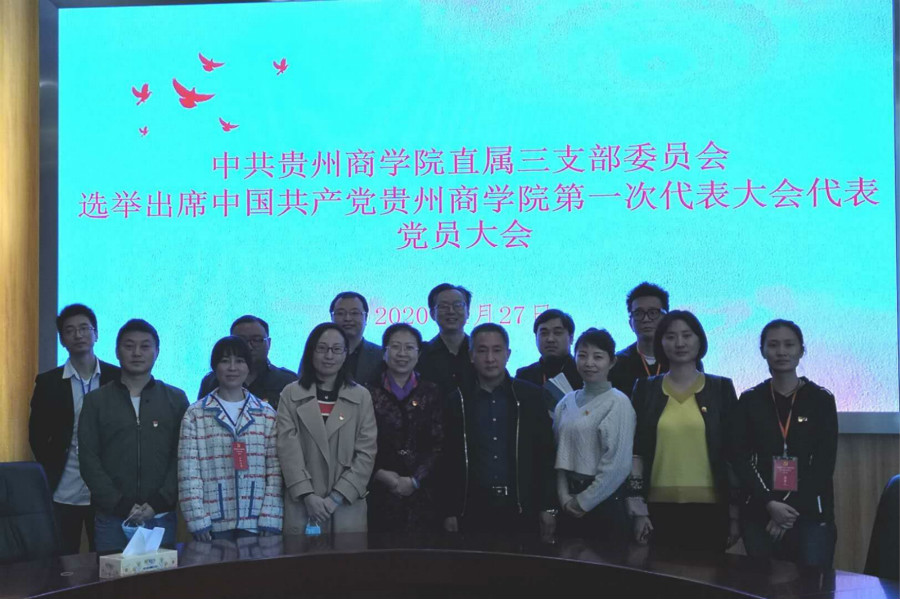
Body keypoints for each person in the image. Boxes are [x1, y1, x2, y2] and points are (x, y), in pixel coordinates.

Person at [628, 310, 739, 552]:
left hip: (711, 509)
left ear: (700, 340)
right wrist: (638, 509)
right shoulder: (646, 389)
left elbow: (732, 453)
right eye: (670, 337)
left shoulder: (720, 388)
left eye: (687, 335)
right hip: (656, 508)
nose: (679, 343)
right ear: (660, 342)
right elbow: (636, 452)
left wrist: (734, 513)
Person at [732, 320, 838, 568]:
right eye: (773, 345)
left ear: (801, 350)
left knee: (813, 584)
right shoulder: (750, 399)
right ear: (762, 351)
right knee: (761, 583)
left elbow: (824, 463)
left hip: (810, 513)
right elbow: (740, 457)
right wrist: (771, 504)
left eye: (789, 345)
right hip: (761, 511)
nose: (781, 352)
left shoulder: (821, 399)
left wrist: (786, 511)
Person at [78, 319, 188, 553]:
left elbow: (182, 457)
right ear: (117, 352)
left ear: (157, 352)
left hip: (160, 516)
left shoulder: (175, 399)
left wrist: (158, 502)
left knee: (161, 577)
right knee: (111, 576)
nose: (137, 353)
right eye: (129, 346)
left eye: (145, 346)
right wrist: (119, 504)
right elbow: (88, 459)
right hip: (112, 517)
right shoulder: (96, 401)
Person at [440, 323, 557, 536]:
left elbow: (545, 454)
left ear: (508, 354)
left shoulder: (530, 396)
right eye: (482, 350)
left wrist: (548, 507)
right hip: (472, 509)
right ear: (471, 355)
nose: (490, 358)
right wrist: (449, 509)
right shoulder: (457, 400)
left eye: (497, 350)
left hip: (521, 507)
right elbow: (447, 459)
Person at [28, 304, 121, 554]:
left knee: (107, 559)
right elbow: (36, 435)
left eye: (84, 328)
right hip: (63, 489)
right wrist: (52, 464)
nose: (78, 335)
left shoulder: (117, 377)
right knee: (63, 559)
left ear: (96, 334)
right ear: (62, 340)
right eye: (70, 330)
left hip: (106, 489)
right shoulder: (48, 382)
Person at [179, 336, 283, 541]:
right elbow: (188, 472)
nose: (232, 368)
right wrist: (197, 520)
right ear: (214, 367)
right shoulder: (196, 414)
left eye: (240, 361)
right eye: (225, 361)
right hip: (212, 523)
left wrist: (270, 517)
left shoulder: (266, 413)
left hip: (257, 522)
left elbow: (275, 469)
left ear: (248, 367)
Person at [277, 323, 377, 536]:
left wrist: (336, 497)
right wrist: (307, 495)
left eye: (336, 349)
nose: (329, 356)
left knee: (347, 558)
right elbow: (287, 450)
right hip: (303, 504)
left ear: (345, 354)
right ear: (310, 352)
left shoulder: (361, 396)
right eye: (322, 348)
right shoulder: (291, 394)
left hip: (346, 504)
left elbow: (366, 453)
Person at [554, 328, 634, 541]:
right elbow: (558, 454)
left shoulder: (618, 402)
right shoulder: (565, 402)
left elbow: (617, 466)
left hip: (605, 504)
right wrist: (564, 497)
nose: (589, 363)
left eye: (598, 357)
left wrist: (583, 502)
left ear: (612, 362)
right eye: (582, 355)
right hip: (568, 502)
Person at [366, 323, 443, 533]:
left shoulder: (432, 392)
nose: (402, 353)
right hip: (378, 493)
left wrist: (415, 480)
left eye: (409, 348)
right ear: (384, 353)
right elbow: (359, 443)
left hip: (424, 496)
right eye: (395, 347)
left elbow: (439, 444)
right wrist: (379, 473)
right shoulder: (367, 392)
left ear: (418, 354)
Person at [198, 315, 297, 410]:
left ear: (269, 343)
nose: (249, 346)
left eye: (257, 340)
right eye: (241, 341)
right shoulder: (212, 382)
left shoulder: (287, 381)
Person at [609, 282, 669, 399]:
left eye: (653, 313)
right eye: (638, 313)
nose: (646, 319)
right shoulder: (617, 363)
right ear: (630, 323)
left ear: (666, 318)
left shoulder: (682, 360)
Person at [515, 309, 583, 410]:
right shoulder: (524, 376)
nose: (550, 339)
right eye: (544, 333)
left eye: (557, 333)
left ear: (571, 338)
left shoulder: (584, 373)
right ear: (536, 338)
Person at [417, 283, 477, 398]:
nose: (451, 311)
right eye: (443, 306)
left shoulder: (481, 352)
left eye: (458, 305)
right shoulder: (421, 355)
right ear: (432, 314)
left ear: (468, 312)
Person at [329, 291, 383, 386]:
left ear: (366, 317)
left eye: (354, 313)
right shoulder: (318, 353)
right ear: (332, 317)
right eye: (340, 313)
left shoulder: (381, 355)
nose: (347, 318)